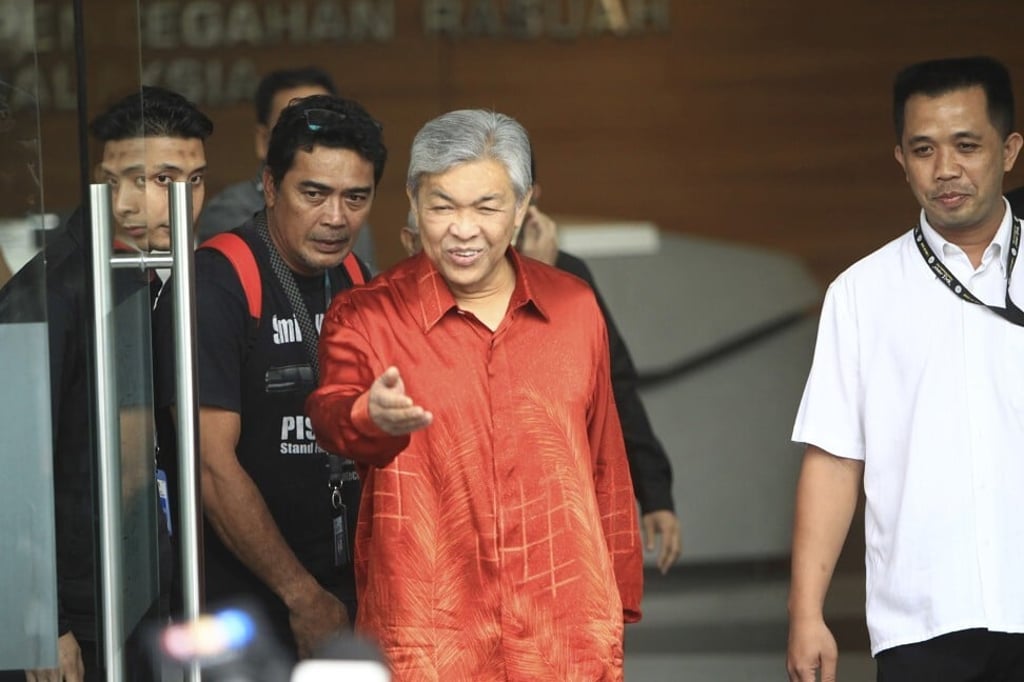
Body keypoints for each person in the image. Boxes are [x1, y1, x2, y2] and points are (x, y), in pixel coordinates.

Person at [307, 109, 643, 680]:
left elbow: (604, 461)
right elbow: (331, 413)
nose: (463, 230)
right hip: (430, 639)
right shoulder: (366, 316)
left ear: (522, 207)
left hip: (563, 633)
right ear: (414, 202)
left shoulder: (574, 307)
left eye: (486, 208)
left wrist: (616, 599)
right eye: (442, 207)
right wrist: (370, 415)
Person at [787, 56, 1024, 682]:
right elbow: (834, 460)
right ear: (901, 160)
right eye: (924, 149)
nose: (945, 169)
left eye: (967, 145)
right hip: (923, 621)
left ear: (1009, 151)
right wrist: (805, 612)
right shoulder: (859, 294)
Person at [154, 93, 386, 660]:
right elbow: (210, 467)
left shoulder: (357, 277)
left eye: (355, 197)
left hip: (349, 593)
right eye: (314, 193)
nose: (336, 218)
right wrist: (301, 597)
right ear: (269, 186)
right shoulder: (216, 283)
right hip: (246, 609)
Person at [0, 85, 211, 681]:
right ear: (108, 183)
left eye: (194, 180)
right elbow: (13, 469)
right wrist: (43, 622)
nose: (182, 199)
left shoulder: (150, 274)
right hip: (78, 611)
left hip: (141, 592)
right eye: (161, 179)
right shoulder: (52, 292)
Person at [400, 169, 683, 573]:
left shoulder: (568, 275)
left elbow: (613, 384)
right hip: (457, 521)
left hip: (556, 512)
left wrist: (655, 493)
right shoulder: (433, 274)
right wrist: (535, 274)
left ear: (529, 202)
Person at [198, 66, 377, 269]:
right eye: (313, 194)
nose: (335, 219)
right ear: (263, 140)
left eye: (324, 124)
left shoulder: (347, 215)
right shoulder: (229, 212)